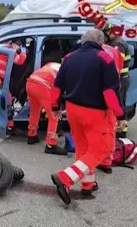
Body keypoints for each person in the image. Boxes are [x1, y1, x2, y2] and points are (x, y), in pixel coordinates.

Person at [49, 29, 122, 205]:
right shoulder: (104, 58)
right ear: (101, 42)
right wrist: (119, 113)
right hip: (95, 112)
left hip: (73, 109)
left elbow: (57, 86)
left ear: (83, 41)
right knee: (100, 150)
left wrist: (55, 106)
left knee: (83, 148)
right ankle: (65, 178)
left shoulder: (69, 58)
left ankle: (87, 184)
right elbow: (109, 92)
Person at [25, 61, 68, 155]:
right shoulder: (66, 72)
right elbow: (59, 91)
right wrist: (58, 108)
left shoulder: (52, 64)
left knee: (34, 112)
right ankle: (51, 145)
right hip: (42, 87)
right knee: (53, 116)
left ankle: (32, 135)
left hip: (30, 83)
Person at [97, 43, 124, 174]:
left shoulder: (96, 53)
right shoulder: (114, 51)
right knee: (110, 131)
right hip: (112, 93)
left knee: (99, 132)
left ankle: (95, 159)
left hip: (99, 99)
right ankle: (107, 161)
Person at [102, 24, 131, 138]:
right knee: (118, 102)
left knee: (120, 102)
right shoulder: (114, 43)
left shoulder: (117, 44)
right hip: (120, 78)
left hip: (121, 78)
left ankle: (122, 130)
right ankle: (118, 126)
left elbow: (115, 62)